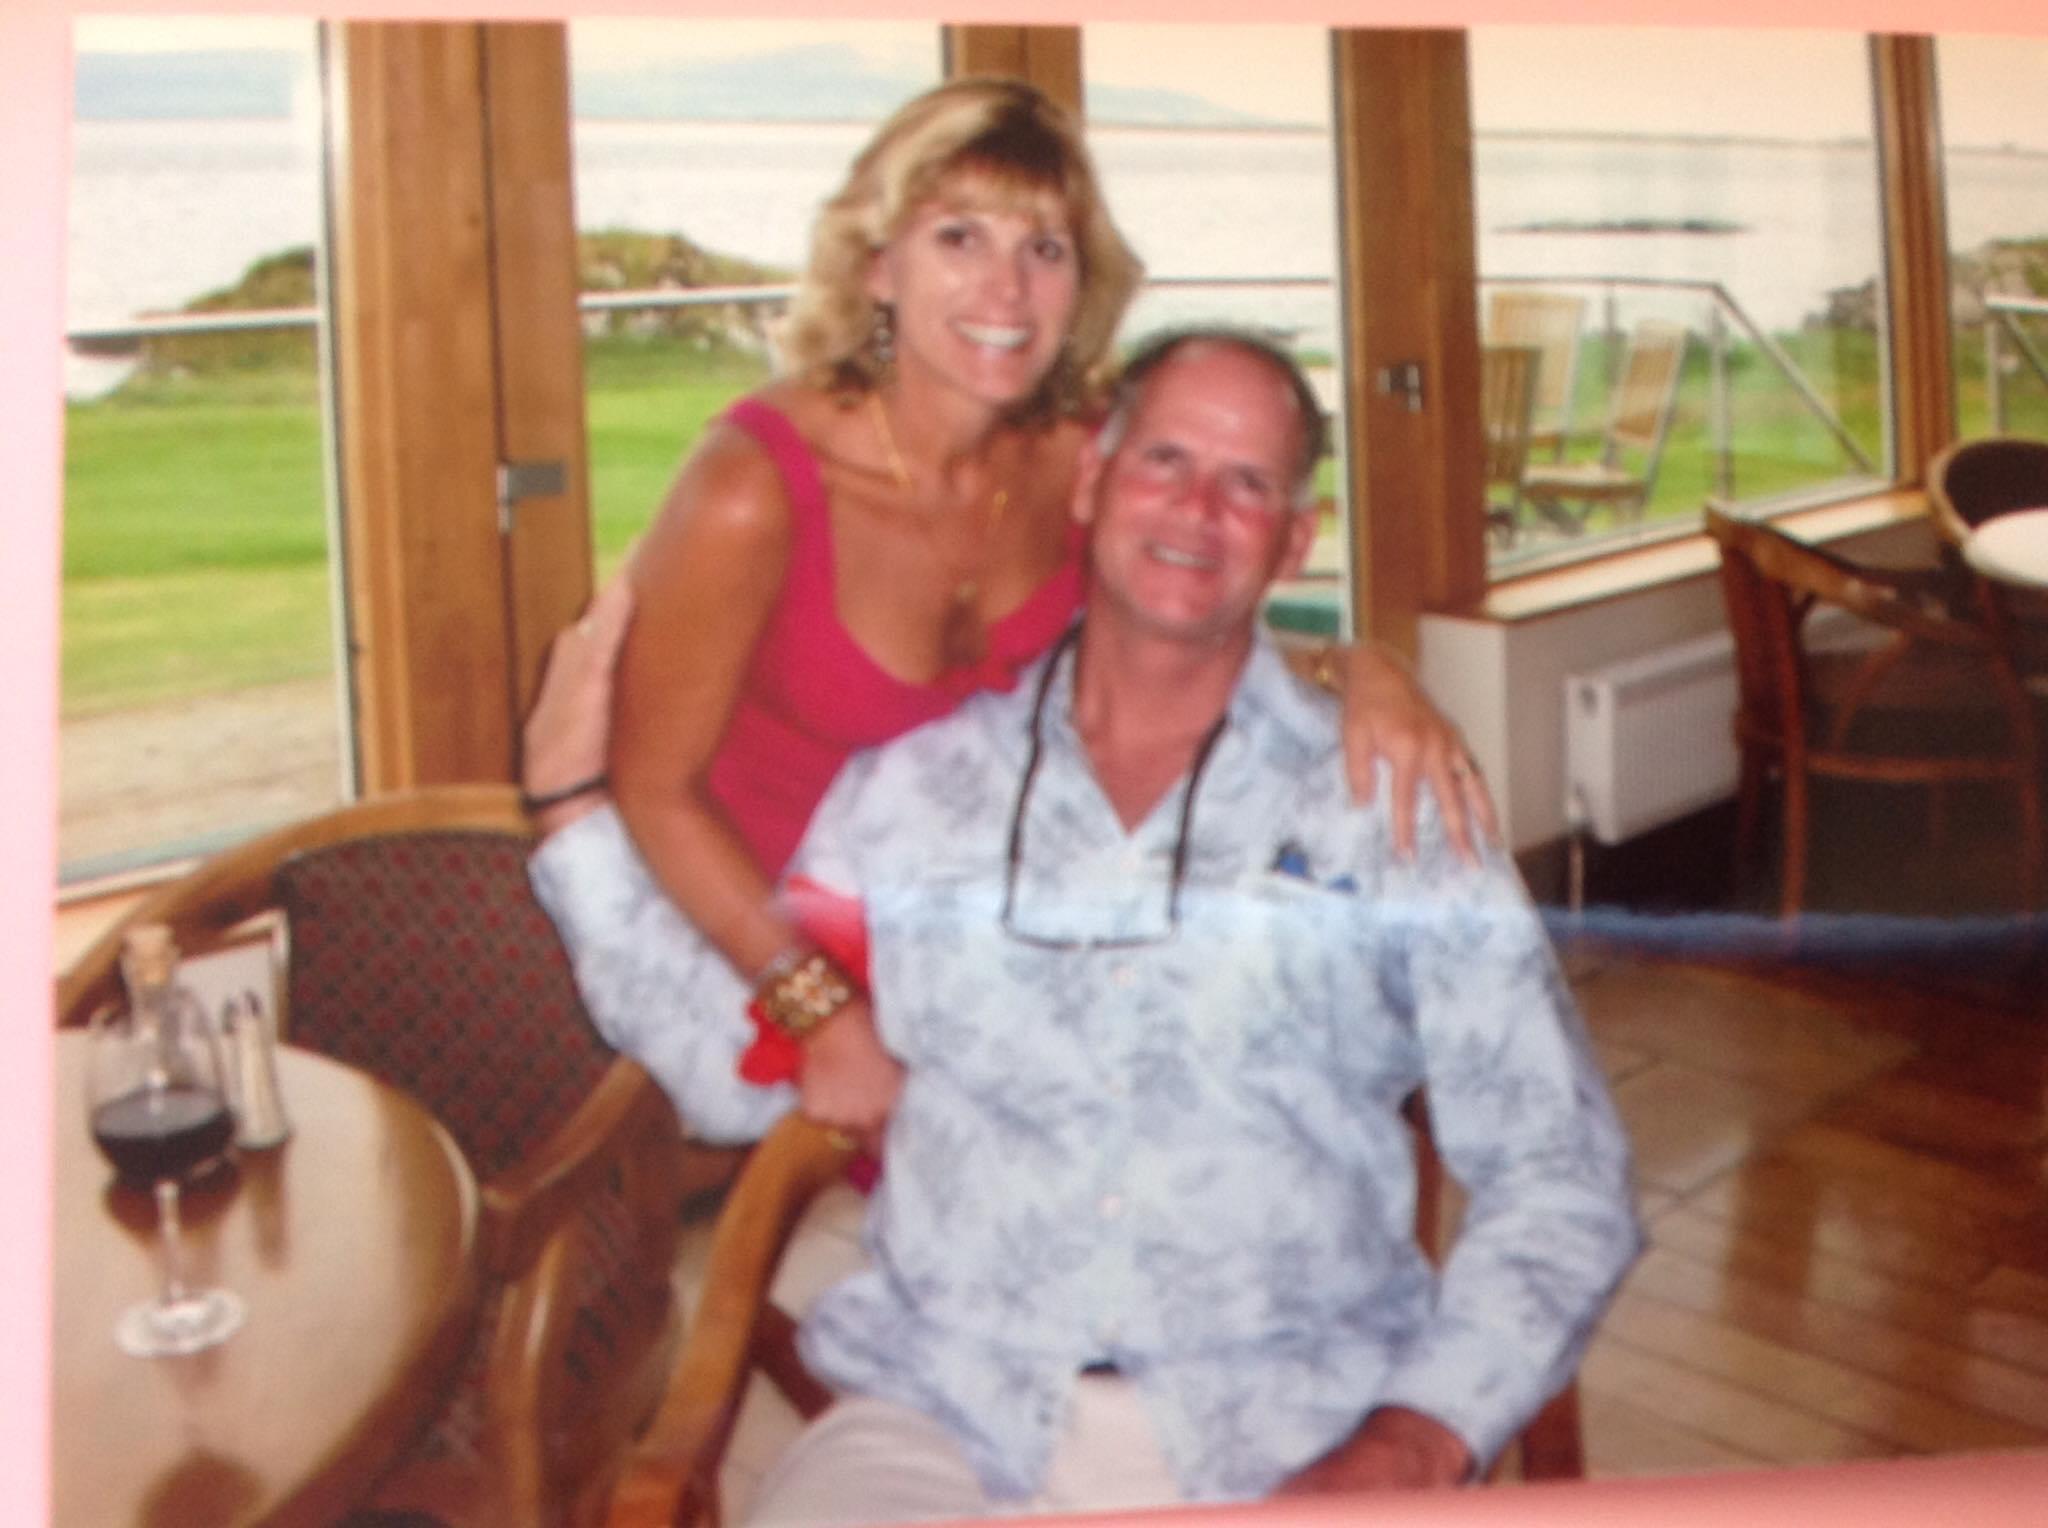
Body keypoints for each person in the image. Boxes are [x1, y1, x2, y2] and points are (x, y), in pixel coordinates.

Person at [531, 329, 1641, 1522]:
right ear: (1091, 484)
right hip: (944, 1418)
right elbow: (732, 1075)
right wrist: (572, 812)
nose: (1197, 509)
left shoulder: (1389, 799)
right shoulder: (914, 788)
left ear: (1293, 540)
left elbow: (1561, 1171)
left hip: (1292, 1428)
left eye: (1247, 482)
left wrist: (1413, 1442)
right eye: (1163, 459)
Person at [521, 77, 1498, 1142]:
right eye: (959, 238)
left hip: (934, 894)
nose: (1008, 290)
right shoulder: (753, 488)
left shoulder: (1079, 456)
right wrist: (822, 1013)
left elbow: (1190, 617)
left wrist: (1364, 670)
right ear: (877, 266)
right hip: (730, 927)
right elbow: (656, 792)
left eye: (1044, 248)